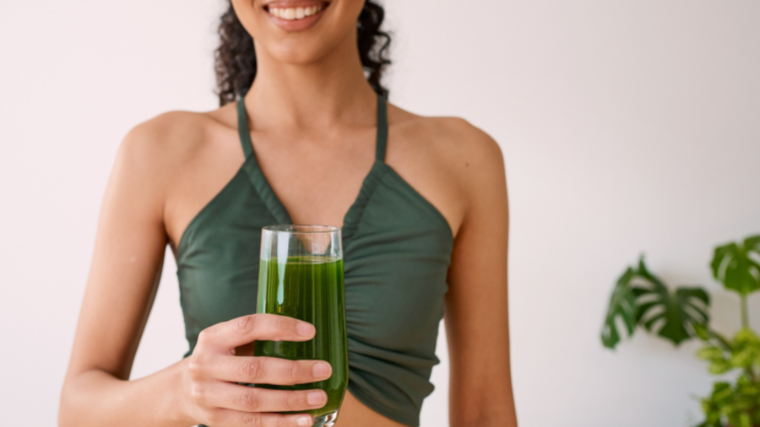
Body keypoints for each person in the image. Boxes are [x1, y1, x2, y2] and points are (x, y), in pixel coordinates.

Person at [59, 0, 517, 426]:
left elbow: (486, 412)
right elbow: (77, 409)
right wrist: (182, 391)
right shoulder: (159, 153)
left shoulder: (465, 161)